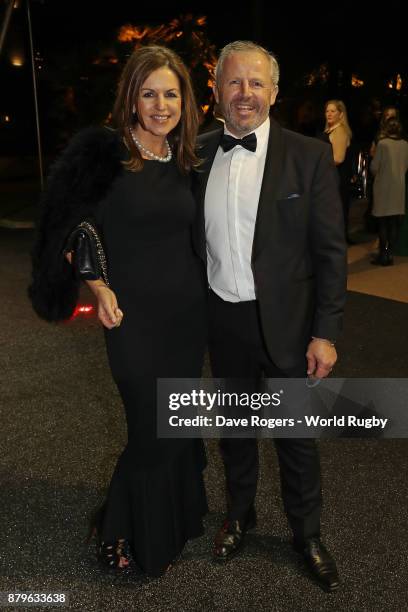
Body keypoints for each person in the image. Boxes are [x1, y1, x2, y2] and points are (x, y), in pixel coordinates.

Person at [29, 45, 208, 577]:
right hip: (129, 317)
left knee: (176, 419)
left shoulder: (187, 157)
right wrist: (97, 287)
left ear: (185, 100)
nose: (160, 104)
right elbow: (70, 227)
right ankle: (119, 527)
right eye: (148, 93)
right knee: (149, 425)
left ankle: (167, 516)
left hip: (186, 315)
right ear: (130, 97)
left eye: (171, 93)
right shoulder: (102, 152)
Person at [193, 41, 347, 592]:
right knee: (234, 433)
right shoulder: (199, 153)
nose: (245, 94)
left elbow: (331, 253)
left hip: (287, 324)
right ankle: (239, 516)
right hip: (223, 320)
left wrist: (325, 332)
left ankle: (306, 534)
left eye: (256, 83)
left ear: (274, 92)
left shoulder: (307, 156)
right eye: (233, 83)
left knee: (295, 439)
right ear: (216, 91)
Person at [370, 116, 408, 265]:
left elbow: (374, 167)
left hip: (383, 186)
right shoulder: (405, 144)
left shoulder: (383, 144)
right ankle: (390, 253)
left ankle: (382, 254)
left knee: (383, 221)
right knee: (393, 222)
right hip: (398, 186)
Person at [320, 99, 354, 243]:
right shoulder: (330, 130)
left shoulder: (339, 131)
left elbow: (338, 158)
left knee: (335, 214)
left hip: (336, 178)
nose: (329, 114)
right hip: (330, 178)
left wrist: (318, 165)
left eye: (333, 111)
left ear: (341, 114)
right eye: (327, 111)